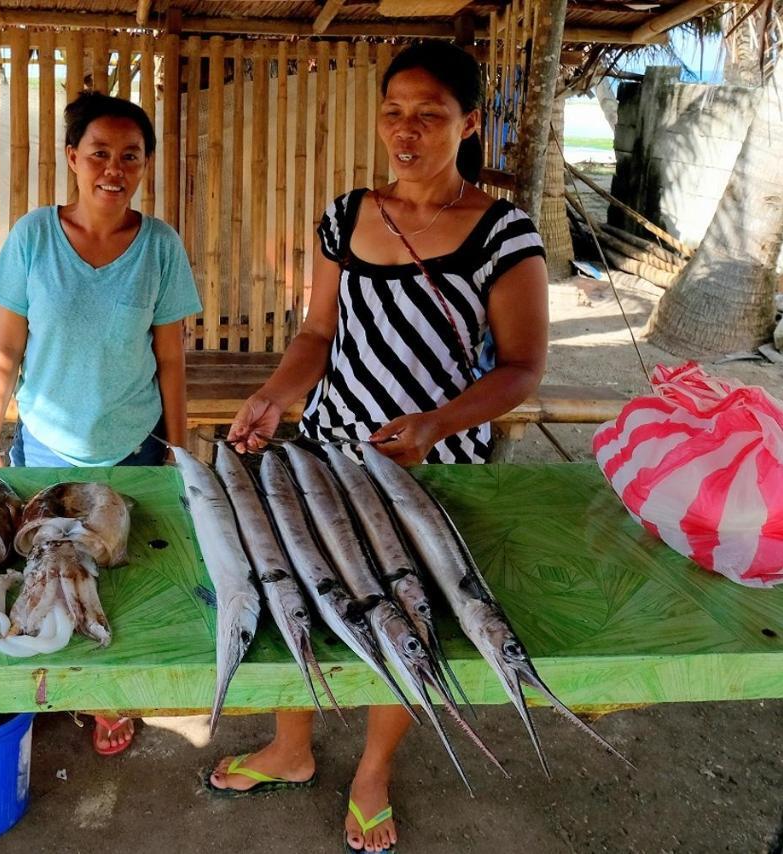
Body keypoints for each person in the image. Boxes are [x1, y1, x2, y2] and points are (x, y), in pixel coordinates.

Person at [205, 42, 549, 853]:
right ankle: (292, 748)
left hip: (428, 466)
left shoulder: (503, 233)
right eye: (394, 111)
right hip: (325, 451)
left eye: (429, 114)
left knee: (407, 612)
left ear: (468, 124)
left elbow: (524, 367)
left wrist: (434, 425)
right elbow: (318, 333)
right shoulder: (346, 214)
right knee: (302, 597)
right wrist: (273, 397)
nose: (407, 130)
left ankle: (373, 771)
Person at [0, 90, 201, 756]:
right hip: (43, 445)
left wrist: (178, 452)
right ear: (72, 157)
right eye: (99, 153)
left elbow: (170, 357)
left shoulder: (159, 246)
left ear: (145, 165)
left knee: (116, 580)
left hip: (130, 444)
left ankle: (108, 694)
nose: (114, 169)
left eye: (130, 156)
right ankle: (49, 678)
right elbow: (6, 347)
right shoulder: (33, 237)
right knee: (42, 572)